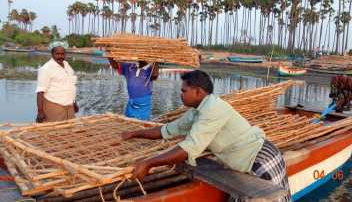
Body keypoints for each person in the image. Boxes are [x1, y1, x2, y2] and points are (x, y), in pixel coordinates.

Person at [121, 70, 291, 201]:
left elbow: (189, 148)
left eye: (184, 90)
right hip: (245, 162)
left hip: (260, 160)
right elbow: (167, 130)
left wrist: (148, 163)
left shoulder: (213, 109)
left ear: (198, 92)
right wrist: (135, 133)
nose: (181, 94)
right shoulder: (196, 111)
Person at [36, 41, 79, 122]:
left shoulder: (67, 65)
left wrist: (74, 103)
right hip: (54, 106)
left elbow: (70, 85)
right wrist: (40, 111)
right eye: (57, 54)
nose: (61, 56)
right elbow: (40, 92)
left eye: (63, 54)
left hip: (69, 107)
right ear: (52, 54)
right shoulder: (46, 69)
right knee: (54, 132)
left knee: (70, 132)